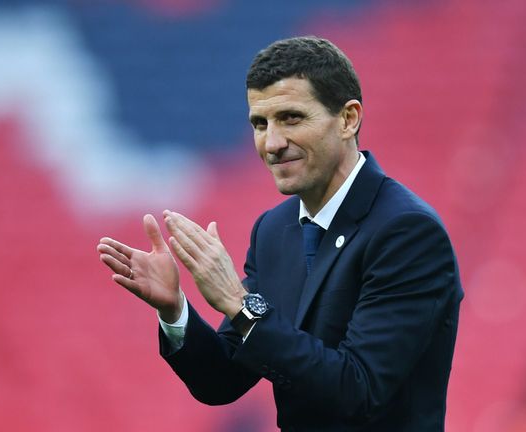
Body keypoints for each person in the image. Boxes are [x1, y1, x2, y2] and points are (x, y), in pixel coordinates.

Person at [97, 36, 463, 431]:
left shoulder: (407, 233)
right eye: (260, 123)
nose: (272, 143)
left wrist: (240, 304)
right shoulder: (274, 230)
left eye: (291, 118)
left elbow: (358, 391)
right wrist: (175, 312)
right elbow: (222, 380)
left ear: (348, 119)